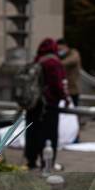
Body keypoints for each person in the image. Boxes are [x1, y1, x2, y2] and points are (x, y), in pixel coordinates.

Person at [24, 38, 69, 171]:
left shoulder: (37, 60)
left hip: (33, 103)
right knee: (49, 134)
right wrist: (64, 98)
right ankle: (47, 163)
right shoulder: (53, 62)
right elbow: (57, 84)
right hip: (48, 105)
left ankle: (31, 161)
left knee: (32, 132)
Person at [57, 38, 81, 107]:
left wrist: (56, 63)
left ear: (65, 46)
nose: (59, 51)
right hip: (62, 90)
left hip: (72, 90)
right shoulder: (61, 56)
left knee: (73, 112)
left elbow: (72, 60)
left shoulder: (74, 53)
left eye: (60, 49)